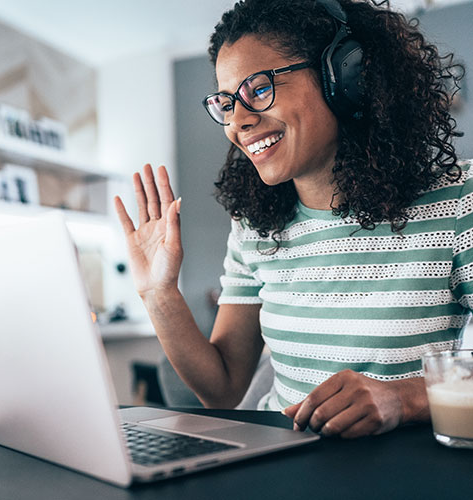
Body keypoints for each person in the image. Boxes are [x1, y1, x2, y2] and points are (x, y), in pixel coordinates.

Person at [114, 0, 471, 439]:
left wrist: (405, 397)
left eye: (258, 88)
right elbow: (223, 388)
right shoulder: (254, 223)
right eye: (226, 103)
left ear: (344, 75)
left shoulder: (457, 201)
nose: (238, 122)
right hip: (278, 460)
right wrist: (159, 292)